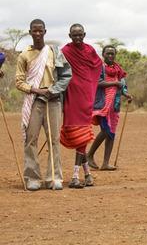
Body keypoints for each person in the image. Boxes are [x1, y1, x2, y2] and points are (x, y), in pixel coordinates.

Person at [15, 19, 72, 191]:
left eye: (40, 31)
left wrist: (53, 90)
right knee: (31, 140)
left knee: (53, 140)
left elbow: (66, 75)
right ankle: (32, 178)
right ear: (30, 32)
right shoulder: (24, 54)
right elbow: (19, 81)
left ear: (45, 32)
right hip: (34, 101)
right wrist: (36, 91)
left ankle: (54, 177)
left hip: (53, 101)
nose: (38, 34)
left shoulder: (54, 52)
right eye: (35, 31)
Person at [60, 24, 103, 188]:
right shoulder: (65, 51)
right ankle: (87, 175)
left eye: (80, 35)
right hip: (71, 97)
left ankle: (76, 176)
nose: (77, 38)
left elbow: (97, 66)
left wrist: (90, 85)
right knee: (76, 134)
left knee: (82, 134)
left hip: (85, 97)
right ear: (69, 35)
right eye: (74, 35)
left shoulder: (90, 50)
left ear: (84, 34)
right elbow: (59, 71)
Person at [87, 45, 133, 170]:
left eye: (112, 54)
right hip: (102, 105)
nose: (110, 56)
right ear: (103, 54)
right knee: (106, 130)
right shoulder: (100, 67)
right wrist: (114, 83)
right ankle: (89, 155)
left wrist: (127, 94)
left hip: (115, 105)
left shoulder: (118, 69)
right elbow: (97, 83)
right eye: (108, 53)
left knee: (111, 134)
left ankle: (105, 163)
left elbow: (122, 86)